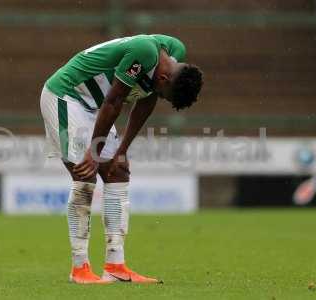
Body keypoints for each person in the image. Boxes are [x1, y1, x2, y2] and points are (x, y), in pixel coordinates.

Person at [40, 34, 203, 284]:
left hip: (94, 106)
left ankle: (115, 265)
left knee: (118, 172)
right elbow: (114, 101)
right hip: (66, 96)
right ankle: (79, 268)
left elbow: (145, 101)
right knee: (85, 175)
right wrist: (95, 153)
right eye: (165, 94)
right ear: (164, 78)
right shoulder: (144, 53)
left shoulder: (174, 52)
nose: (162, 98)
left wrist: (122, 151)